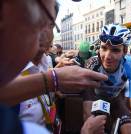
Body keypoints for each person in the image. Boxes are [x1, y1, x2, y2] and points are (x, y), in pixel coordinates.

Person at [0, 0, 107, 133]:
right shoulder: (9, 71)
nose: (43, 33)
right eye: (40, 21)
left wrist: (55, 84)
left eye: (50, 24)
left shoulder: (47, 62)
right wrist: (87, 131)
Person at [83, 24, 131, 134]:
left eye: (115, 50)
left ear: (124, 51)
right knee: (93, 127)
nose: (107, 56)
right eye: (104, 48)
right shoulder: (93, 63)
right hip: (96, 98)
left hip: (116, 99)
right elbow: (87, 105)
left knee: (128, 129)